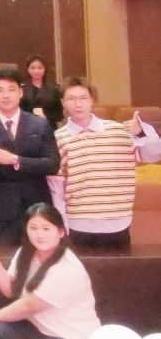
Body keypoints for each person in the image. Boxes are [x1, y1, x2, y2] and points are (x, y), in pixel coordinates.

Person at [0, 203, 101, 339]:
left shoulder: (67, 268)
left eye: (46, 229)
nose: (39, 235)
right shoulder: (26, 253)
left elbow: (28, 306)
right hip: (39, 330)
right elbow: (11, 290)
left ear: (61, 232)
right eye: (33, 228)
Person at [53, 76, 161, 248]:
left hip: (118, 222)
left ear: (92, 100)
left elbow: (154, 155)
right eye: (71, 99)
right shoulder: (58, 138)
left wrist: (140, 133)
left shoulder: (119, 131)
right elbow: (56, 188)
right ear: (63, 103)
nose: (78, 104)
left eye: (83, 98)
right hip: (78, 224)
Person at [0, 67, 61, 245]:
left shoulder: (40, 125)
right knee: (1, 259)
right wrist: (32, 166)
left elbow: (52, 164)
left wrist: (14, 160)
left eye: (11, 89)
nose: (6, 95)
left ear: (20, 92)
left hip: (37, 209)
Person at [21, 55, 63, 124]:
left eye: (40, 68)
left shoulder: (54, 88)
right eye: (33, 68)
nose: (36, 71)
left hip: (50, 126)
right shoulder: (22, 89)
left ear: (45, 69)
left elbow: (59, 114)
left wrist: (46, 118)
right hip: (27, 125)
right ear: (27, 69)